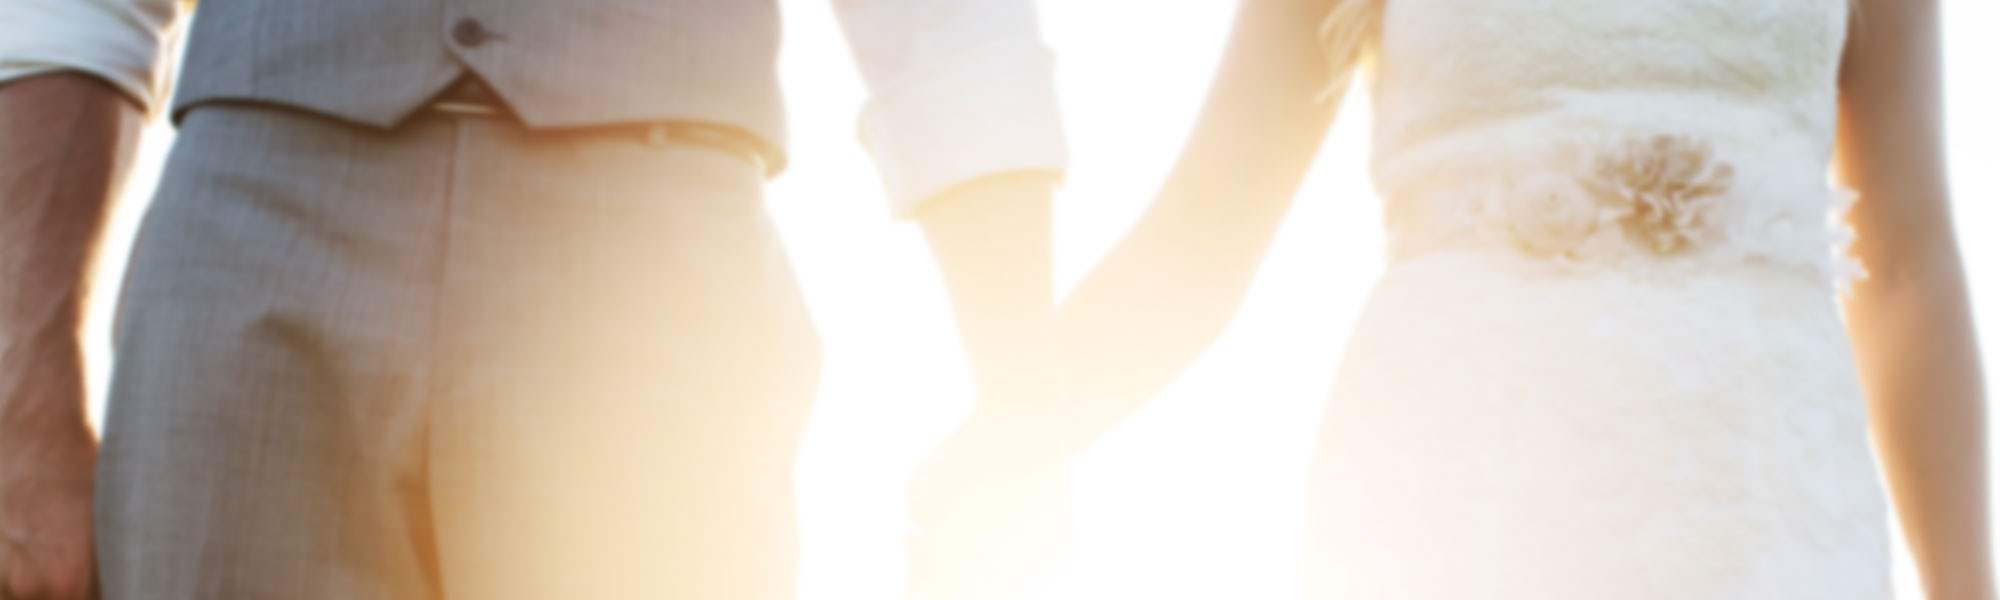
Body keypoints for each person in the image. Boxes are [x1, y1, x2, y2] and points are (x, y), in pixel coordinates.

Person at [0, 0, 1066, 597]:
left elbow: (951, 25)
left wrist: (1025, 410)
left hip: (652, 287)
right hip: (248, 234)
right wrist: (25, 407)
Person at [1054, 0, 1992, 597]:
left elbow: (1907, 268)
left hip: (1767, 493)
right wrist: (1006, 448)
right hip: (1464, 484)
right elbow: (1198, 247)